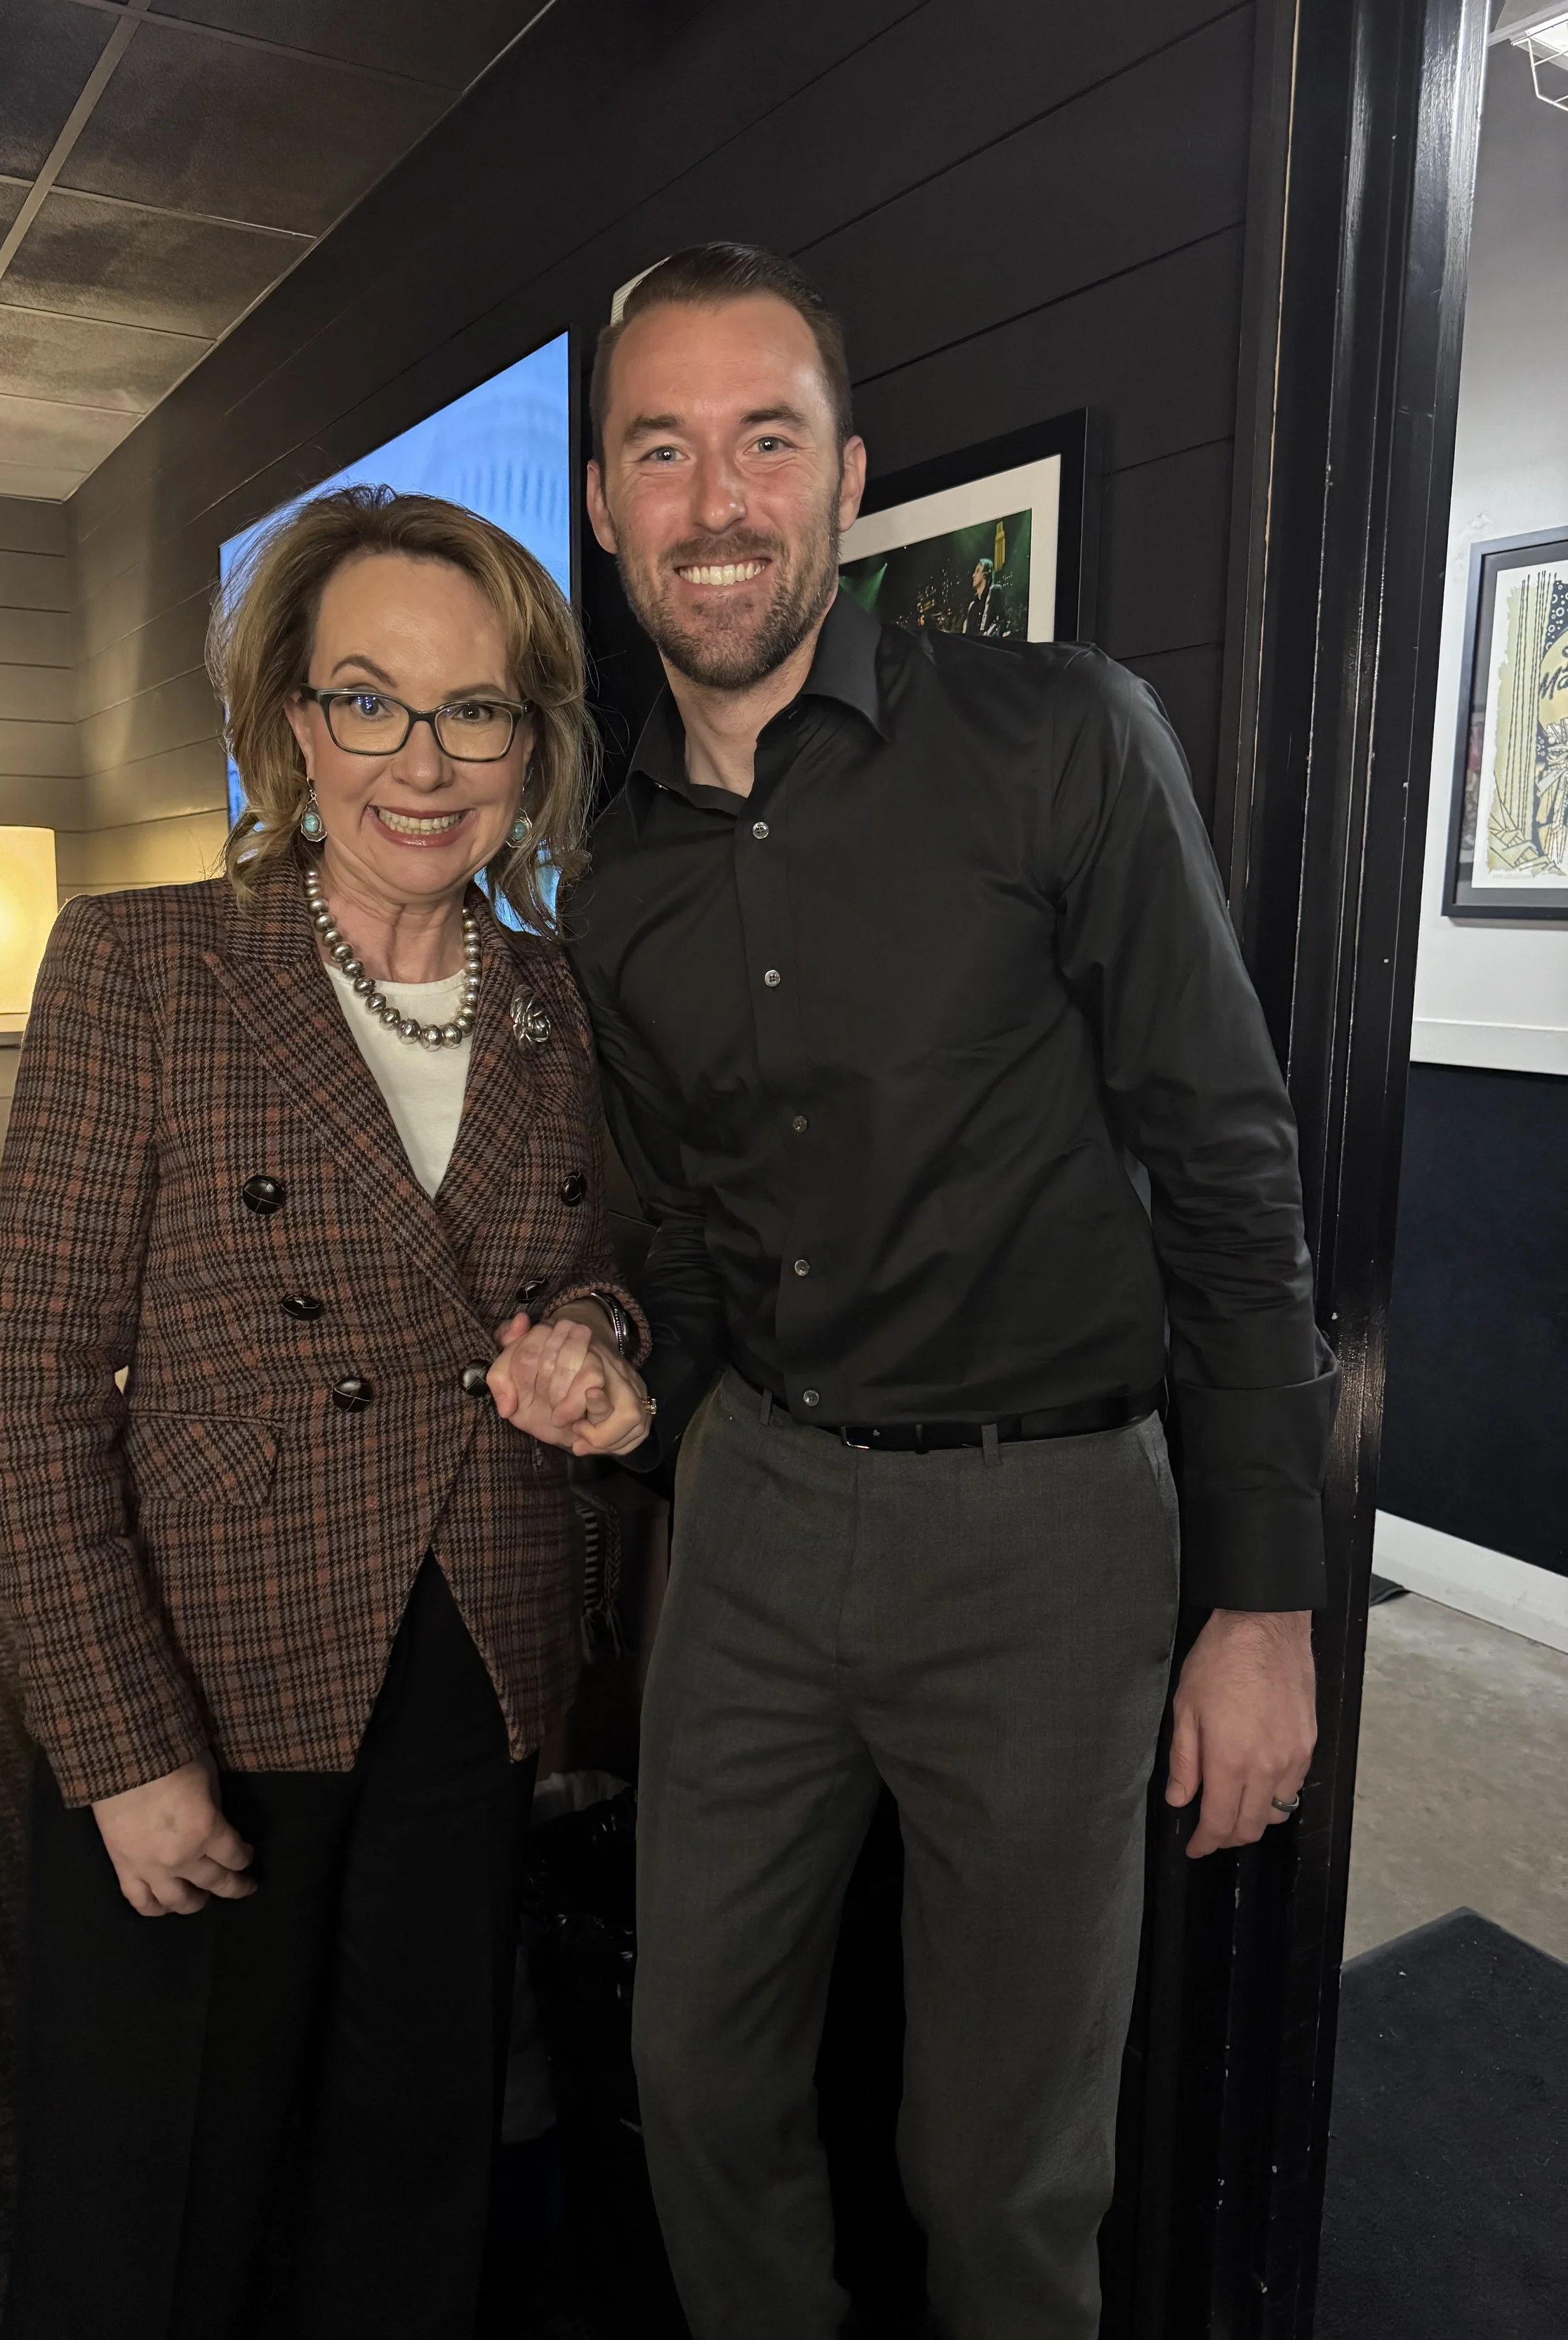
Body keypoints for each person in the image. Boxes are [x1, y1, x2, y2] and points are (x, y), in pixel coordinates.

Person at [554, 243, 1338, 2340]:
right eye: (662, 447)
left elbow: (1227, 1168)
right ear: (610, 497)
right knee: (692, 2076)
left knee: (998, 2169)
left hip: (1048, 1536)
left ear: (844, 477)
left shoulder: (1061, 740)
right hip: (755, 1512)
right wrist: (627, 1354)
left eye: (763, 439)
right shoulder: (604, 868)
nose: (715, 498)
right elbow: (702, 1243)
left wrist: (1264, 1601)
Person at [0, 487, 653, 2340]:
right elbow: (32, 1396)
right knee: (148, 2196)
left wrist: (598, 1341)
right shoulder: (142, 968)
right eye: (370, 699)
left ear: (532, 739)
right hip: (208, 1665)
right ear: (292, 720)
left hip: (480, 1663)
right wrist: (116, 1744)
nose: (421, 762)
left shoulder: (554, 1011)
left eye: (476, 709)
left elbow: (601, 1267)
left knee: (416, 2170)